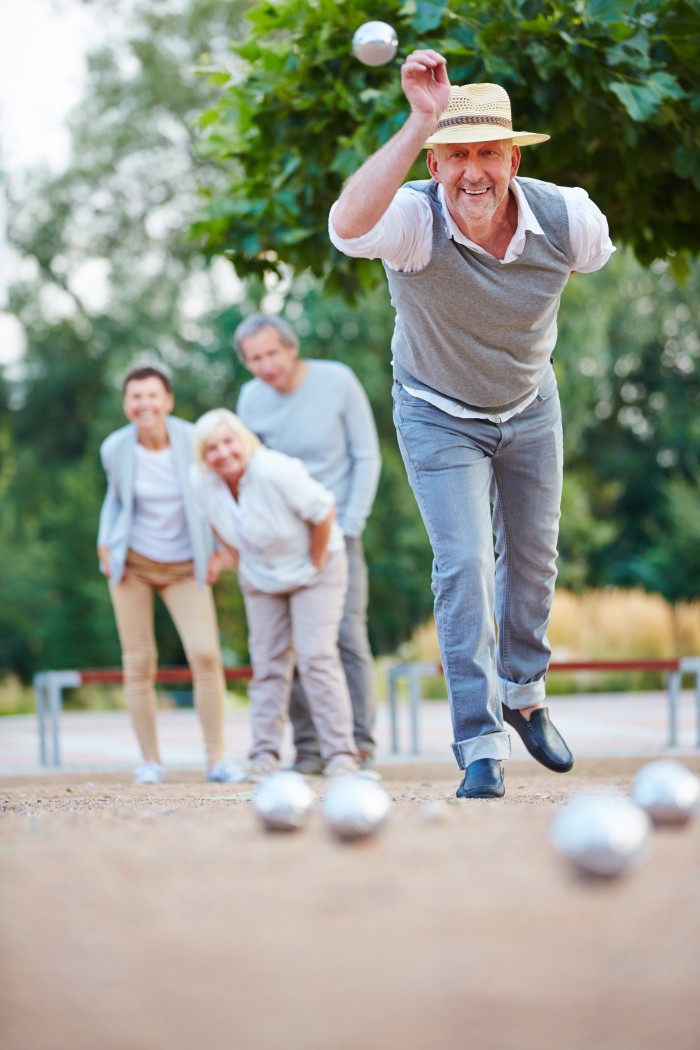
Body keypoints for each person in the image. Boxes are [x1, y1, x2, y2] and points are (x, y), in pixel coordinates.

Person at [329, 52, 615, 799]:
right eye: (456, 155)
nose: (474, 172)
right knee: (463, 569)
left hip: (530, 405)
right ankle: (479, 740)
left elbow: (590, 262)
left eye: (488, 152)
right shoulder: (414, 223)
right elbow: (344, 225)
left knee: (533, 561)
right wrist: (421, 116)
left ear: (513, 157)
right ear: (435, 161)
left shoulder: (569, 220)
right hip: (436, 410)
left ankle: (525, 695)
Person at [234, 315, 381, 774]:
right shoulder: (250, 400)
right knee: (288, 644)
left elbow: (366, 454)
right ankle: (310, 747)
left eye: (271, 353)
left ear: (291, 348)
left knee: (344, 637)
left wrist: (352, 522)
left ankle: (357, 743)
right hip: (281, 541)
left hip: (338, 532)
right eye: (254, 359)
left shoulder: (337, 381)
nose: (265, 366)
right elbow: (247, 469)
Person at [190, 408, 360, 780]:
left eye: (228, 441)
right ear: (202, 457)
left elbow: (324, 510)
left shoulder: (273, 469)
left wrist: (313, 566)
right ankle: (263, 755)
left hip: (316, 566)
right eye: (211, 448)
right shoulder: (201, 482)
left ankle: (341, 755)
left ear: (243, 441)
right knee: (267, 663)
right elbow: (216, 523)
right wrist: (240, 563)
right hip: (261, 574)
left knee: (316, 658)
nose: (222, 453)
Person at [97, 366, 244, 786]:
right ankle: (150, 762)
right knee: (138, 662)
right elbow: (116, 499)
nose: (144, 405)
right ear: (126, 405)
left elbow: (213, 494)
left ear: (168, 400)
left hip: (185, 565)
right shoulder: (115, 448)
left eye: (152, 396)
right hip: (134, 565)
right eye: (135, 397)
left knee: (206, 656)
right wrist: (105, 542)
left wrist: (219, 549)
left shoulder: (190, 440)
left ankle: (216, 759)